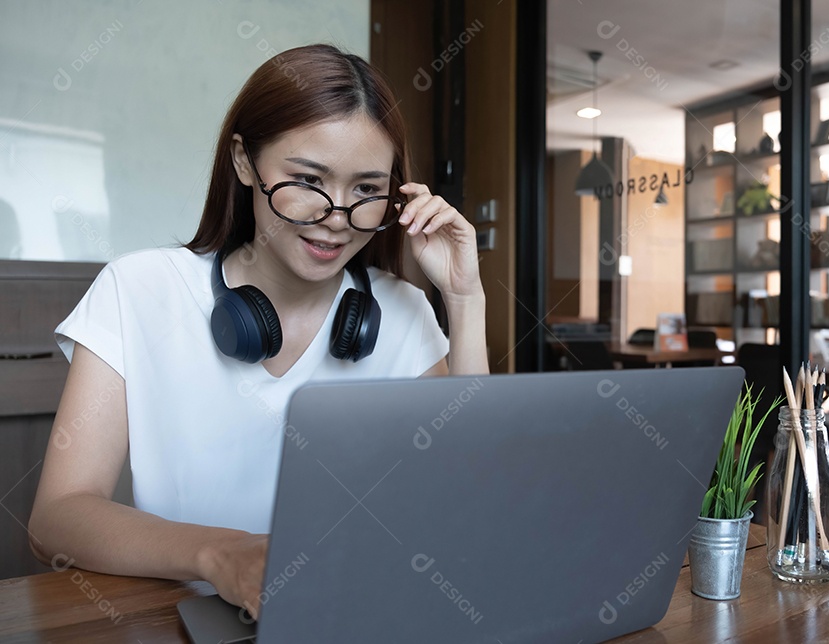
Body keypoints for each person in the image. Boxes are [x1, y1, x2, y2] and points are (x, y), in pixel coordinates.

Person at [27, 44, 487, 618]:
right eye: (307, 179)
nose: (337, 218)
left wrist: (465, 300)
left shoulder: (402, 314)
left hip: (349, 615)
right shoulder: (139, 290)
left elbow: (470, 509)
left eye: (367, 190)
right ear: (245, 162)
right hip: (177, 620)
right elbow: (57, 517)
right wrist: (222, 556)